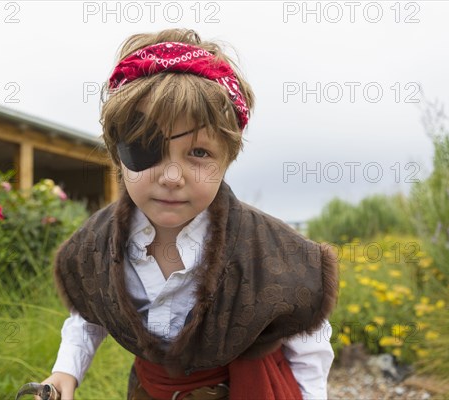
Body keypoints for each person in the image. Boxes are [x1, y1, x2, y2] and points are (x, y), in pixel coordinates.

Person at [41, 28, 338, 399]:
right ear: (119, 154)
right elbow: (90, 313)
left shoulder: (275, 251)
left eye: (199, 153)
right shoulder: (97, 243)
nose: (171, 177)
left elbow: (308, 344)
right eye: (148, 148)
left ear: (227, 158)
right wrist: (64, 373)